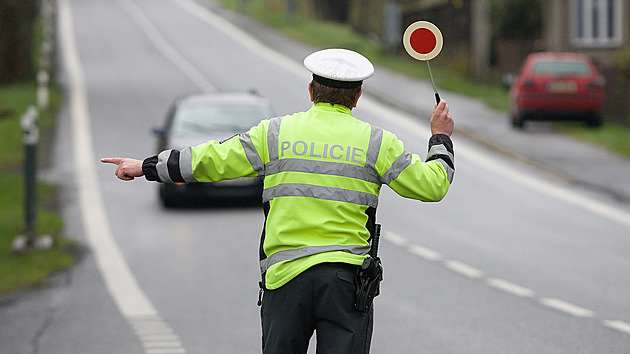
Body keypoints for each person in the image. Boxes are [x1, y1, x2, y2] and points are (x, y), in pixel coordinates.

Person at [102, 48, 454, 353]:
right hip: (346, 284)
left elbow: (211, 160)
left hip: (285, 280)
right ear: (358, 97)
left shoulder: (275, 133)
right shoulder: (377, 143)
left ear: (311, 90)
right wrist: (439, 136)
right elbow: (432, 186)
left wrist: (146, 166)